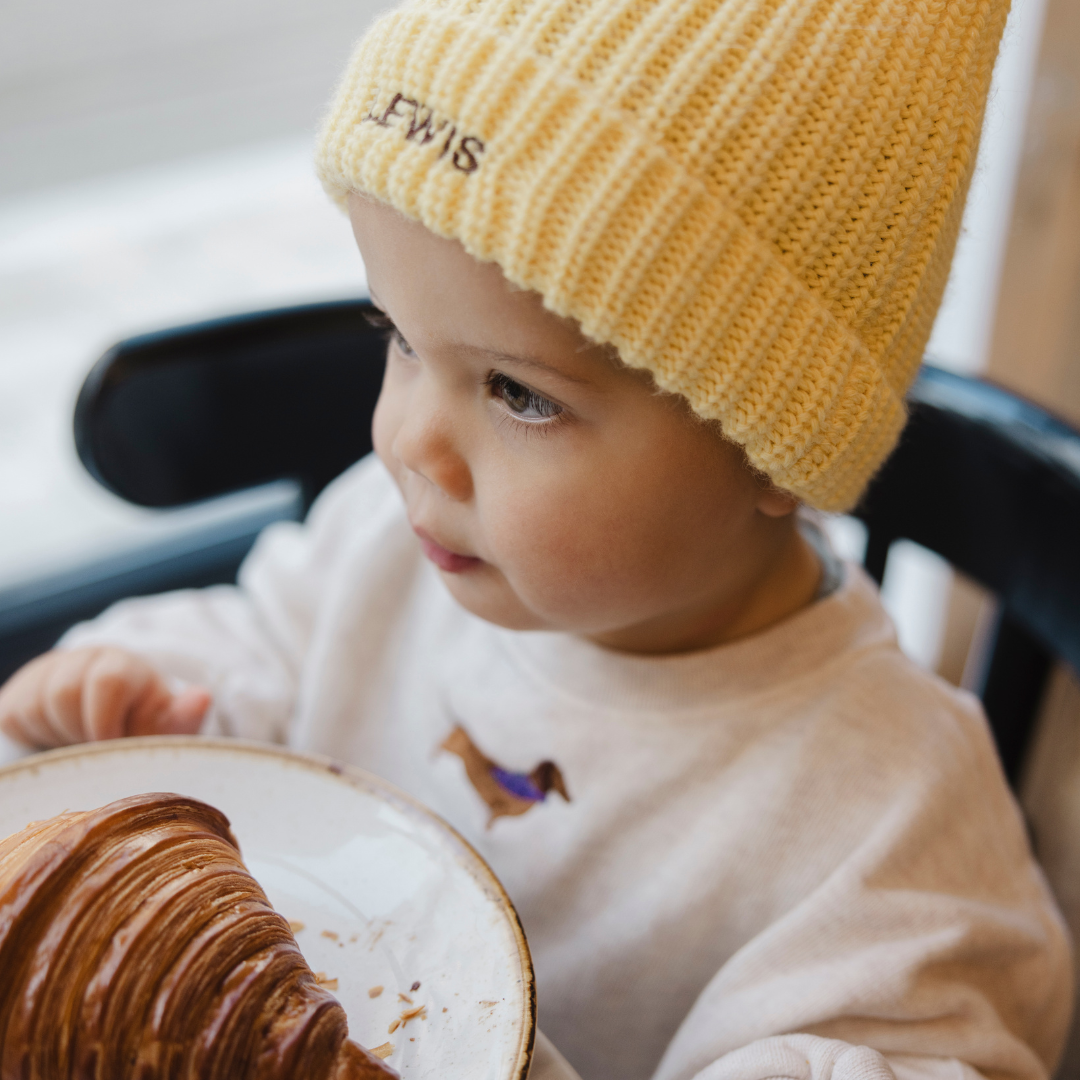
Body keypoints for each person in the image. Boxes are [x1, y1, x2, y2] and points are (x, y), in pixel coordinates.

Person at [0, 0, 1072, 1076]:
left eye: (517, 393)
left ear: (770, 449)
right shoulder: (388, 540)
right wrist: (145, 686)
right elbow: (261, 645)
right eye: (398, 338)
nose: (411, 441)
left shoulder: (895, 821)